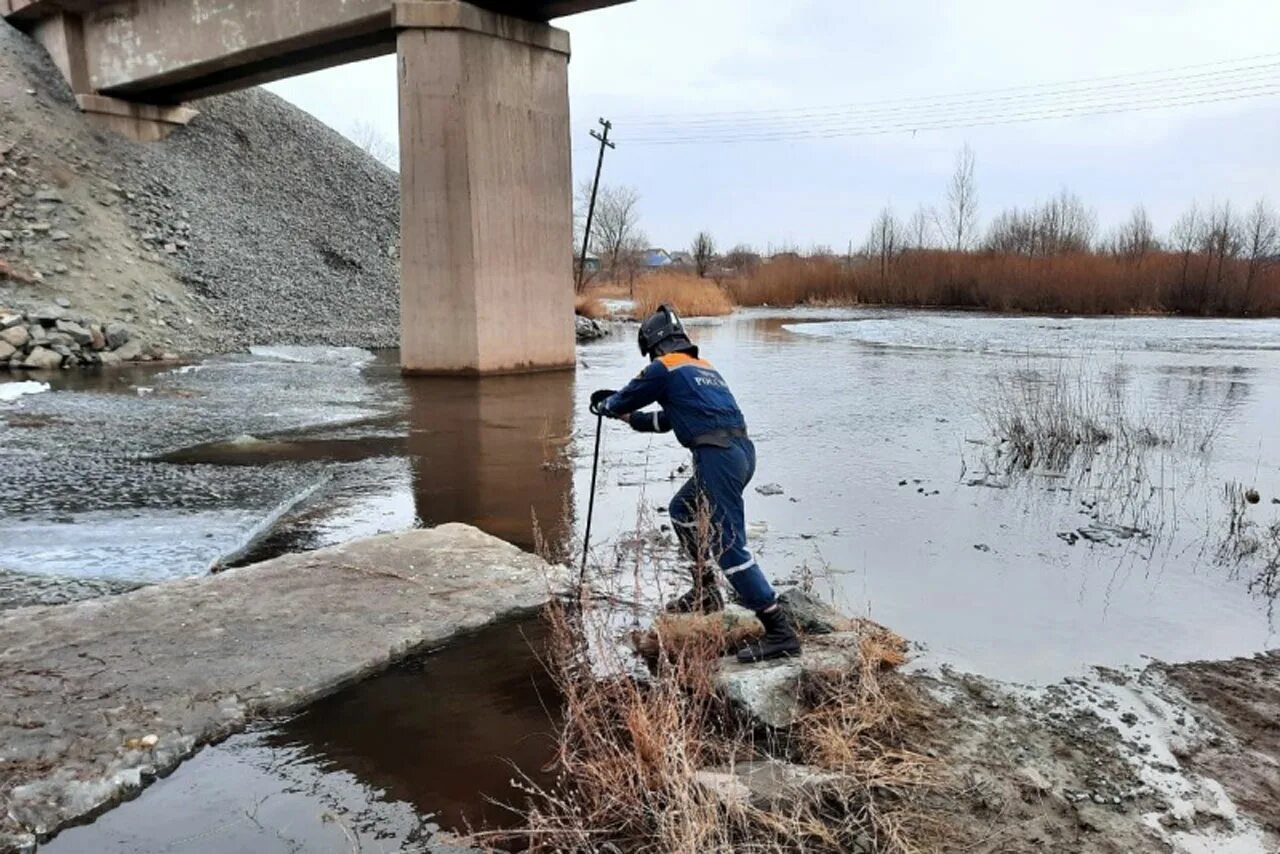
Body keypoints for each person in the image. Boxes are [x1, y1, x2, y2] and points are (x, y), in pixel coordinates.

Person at [590, 304, 801, 663]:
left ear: (654, 345)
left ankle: (780, 632)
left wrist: (606, 405)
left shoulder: (664, 367)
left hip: (717, 457)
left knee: (729, 546)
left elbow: (624, 397)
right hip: (740, 453)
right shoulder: (703, 369)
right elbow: (664, 421)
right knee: (682, 510)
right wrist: (627, 417)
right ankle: (705, 591)